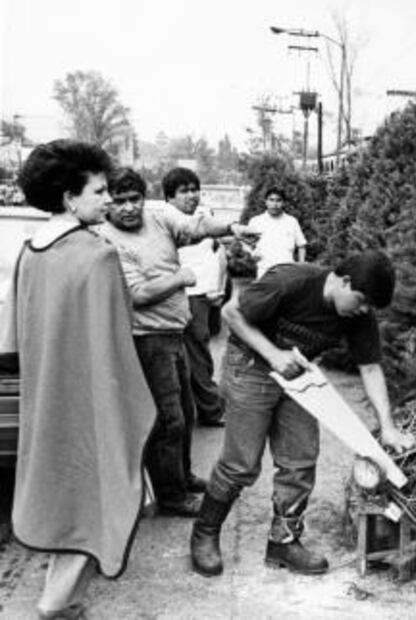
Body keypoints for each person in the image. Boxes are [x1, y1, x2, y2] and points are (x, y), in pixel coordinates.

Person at [0, 141, 156, 619]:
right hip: (90, 398)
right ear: (70, 197)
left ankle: (64, 600)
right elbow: (115, 348)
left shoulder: (30, 251)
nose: (108, 200)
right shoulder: (97, 257)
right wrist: (133, 410)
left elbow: (12, 340)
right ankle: (55, 604)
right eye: (100, 191)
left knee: (58, 493)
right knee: (99, 494)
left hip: (44, 398)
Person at [190, 251, 415, 578]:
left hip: (298, 376)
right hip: (250, 366)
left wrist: (389, 428)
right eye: (362, 301)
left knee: (300, 459)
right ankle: (205, 534)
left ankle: (283, 542)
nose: (364, 311)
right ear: (344, 281)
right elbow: (231, 312)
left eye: (369, 307)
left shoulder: (357, 314)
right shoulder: (291, 281)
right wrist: (272, 354)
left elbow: (369, 366)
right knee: (241, 463)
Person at [98, 167, 251, 518]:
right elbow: (137, 294)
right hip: (147, 339)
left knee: (186, 412)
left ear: (144, 198)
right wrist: (180, 276)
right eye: (119, 202)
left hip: (174, 332)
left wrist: (230, 228)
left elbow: (196, 226)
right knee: (169, 421)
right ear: (109, 205)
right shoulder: (109, 241)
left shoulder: (158, 218)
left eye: (134, 199)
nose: (128, 208)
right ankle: (171, 496)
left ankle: (182, 477)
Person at [164, 167, 228, 427]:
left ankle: (206, 408)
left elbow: (215, 258)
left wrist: (217, 290)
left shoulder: (202, 218)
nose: (191, 195)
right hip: (180, 296)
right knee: (193, 356)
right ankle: (210, 409)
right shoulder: (168, 220)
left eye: (194, 189)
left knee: (199, 352)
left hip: (200, 295)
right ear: (170, 197)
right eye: (184, 191)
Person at [248, 186, 307, 279]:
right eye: (271, 200)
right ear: (266, 201)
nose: (274, 204)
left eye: (278, 200)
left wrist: (301, 267)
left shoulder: (292, 221)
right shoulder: (256, 221)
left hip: (288, 273)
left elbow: (301, 245)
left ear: (283, 202)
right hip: (264, 272)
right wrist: (251, 252)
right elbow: (244, 242)